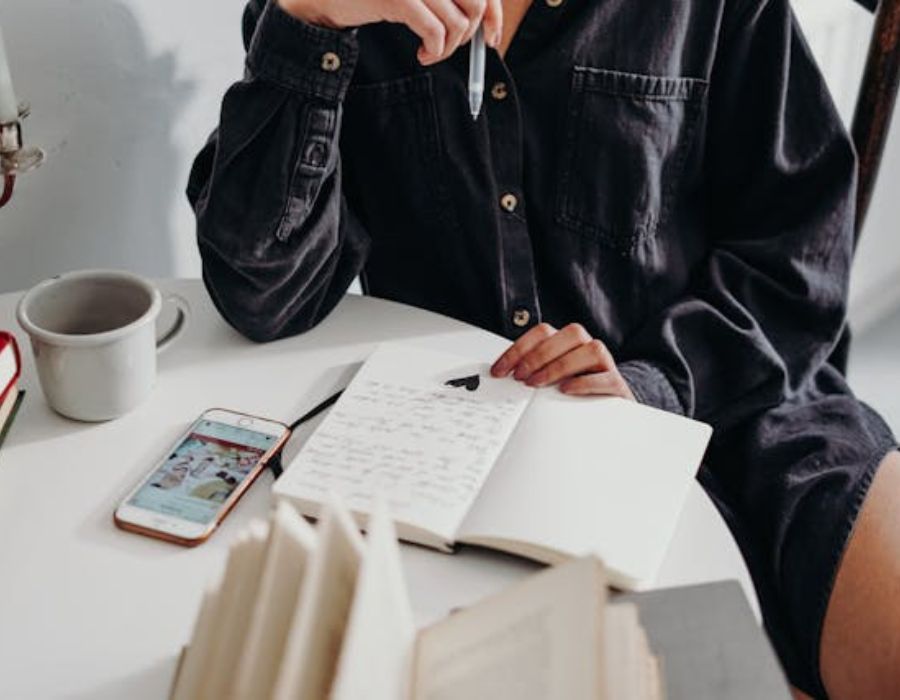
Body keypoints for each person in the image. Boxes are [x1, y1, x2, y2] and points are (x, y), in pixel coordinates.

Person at [187, 1, 900, 697]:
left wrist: (651, 384)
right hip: (480, 466)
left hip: (751, 403)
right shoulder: (338, 12)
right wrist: (311, 23)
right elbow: (264, 295)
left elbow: (796, 257)